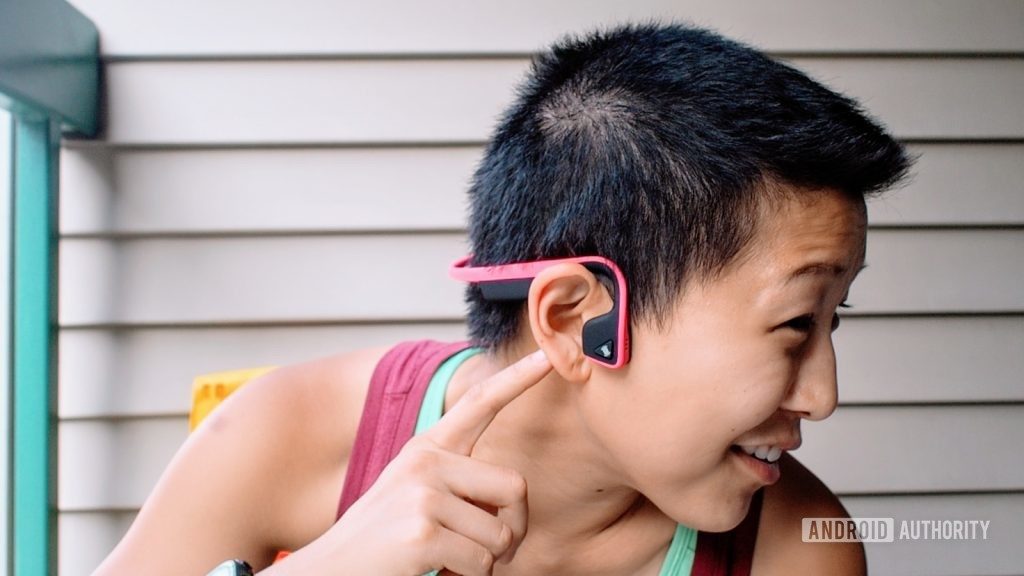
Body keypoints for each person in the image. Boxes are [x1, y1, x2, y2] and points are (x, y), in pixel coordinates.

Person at [94, 22, 911, 576]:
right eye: (797, 323)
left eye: (833, 322)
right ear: (576, 318)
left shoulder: (801, 548)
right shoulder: (281, 436)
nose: (823, 395)